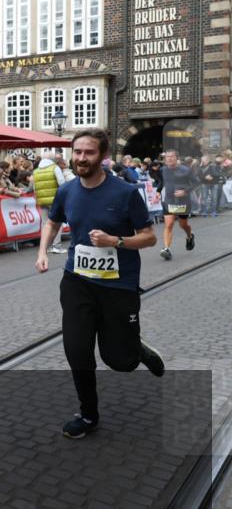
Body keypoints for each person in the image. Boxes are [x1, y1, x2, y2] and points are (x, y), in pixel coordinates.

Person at [35, 128, 164, 439]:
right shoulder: (67, 191)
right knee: (77, 351)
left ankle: (137, 350)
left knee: (119, 361)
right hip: (77, 281)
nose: (81, 158)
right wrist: (42, 252)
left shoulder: (125, 192)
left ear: (102, 156)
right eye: (77, 152)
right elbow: (53, 221)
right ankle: (88, 414)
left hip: (118, 285)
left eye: (88, 152)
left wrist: (115, 241)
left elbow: (149, 237)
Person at [159, 150, 195, 260]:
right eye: (167, 157)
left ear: (176, 158)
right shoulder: (163, 170)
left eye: (172, 156)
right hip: (169, 200)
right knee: (169, 224)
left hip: (183, 201)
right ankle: (166, 249)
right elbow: (161, 182)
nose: (169, 159)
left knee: (183, 225)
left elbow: (196, 182)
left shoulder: (186, 170)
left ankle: (190, 236)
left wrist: (185, 191)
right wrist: (157, 192)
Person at [34, 150, 68, 254]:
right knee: (57, 222)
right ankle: (56, 246)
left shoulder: (36, 170)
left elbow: (35, 187)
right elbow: (62, 183)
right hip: (55, 200)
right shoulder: (55, 168)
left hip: (42, 200)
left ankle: (46, 247)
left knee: (45, 223)